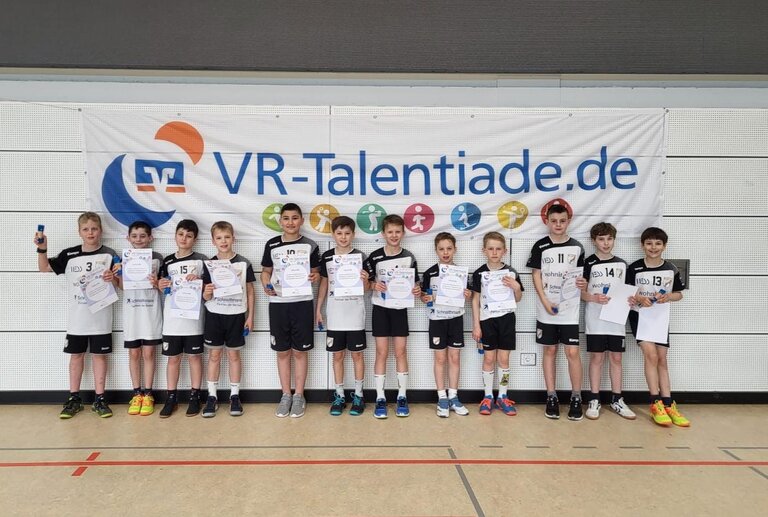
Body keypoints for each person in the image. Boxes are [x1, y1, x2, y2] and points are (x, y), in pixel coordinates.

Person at [35, 212, 118, 419]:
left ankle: (100, 399)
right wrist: (42, 248)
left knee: (99, 356)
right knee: (76, 356)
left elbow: (120, 284)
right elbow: (44, 268)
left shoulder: (110, 254)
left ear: (101, 230)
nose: (90, 233)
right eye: (86, 229)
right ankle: (74, 399)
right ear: (79, 232)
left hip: (101, 319)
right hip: (77, 320)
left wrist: (113, 278)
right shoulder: (69, 254)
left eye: (94, 229)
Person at [526, 204, 587, 420]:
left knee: (572, 353)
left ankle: (576, 397)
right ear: (547, 222)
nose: (558, 225)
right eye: (554, 221)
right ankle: (551, 397)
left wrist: (583, 283)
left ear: (568, 221)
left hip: (569, 309)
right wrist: (544, 301)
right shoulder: (540, 246)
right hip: (547, 308)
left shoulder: (578, 247)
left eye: (562, 221)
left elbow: (582, 277)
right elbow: (536, 275)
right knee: (550, 351)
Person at [261, 203, 321, 418]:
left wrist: (315, 276)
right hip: (278, 303)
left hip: (302, 303)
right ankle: (285, 394)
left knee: (300, 352)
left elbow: (317, 273)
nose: (290, 222)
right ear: (280, 222)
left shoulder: (310, 245)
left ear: (301, 221)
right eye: (286, 218)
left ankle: (299, 396)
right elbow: (265, 272)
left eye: (295, 218)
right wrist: (266, 283)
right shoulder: (272, 244)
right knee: (283, 351)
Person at [627, 227, 688, 427]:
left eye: (658, 243)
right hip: (640, 317)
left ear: (664, 246)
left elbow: (679, 294)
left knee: (662, 359)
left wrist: (668, 296)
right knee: (651, 356)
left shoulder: (671, 268)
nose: (653, 247)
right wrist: (639, 297)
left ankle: (669, 404)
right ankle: (655, 403)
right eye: (649, 243)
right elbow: (627, 293)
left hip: (660, 318)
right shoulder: (634, 268)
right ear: (642, 245)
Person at [363, 214, 421, 419]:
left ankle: (401, 397)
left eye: (397, 232)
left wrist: (416, 290)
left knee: (401, 352)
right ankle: (380, 398)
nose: (394, 235)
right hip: (380, 308)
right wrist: (373, 285)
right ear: (383, 234)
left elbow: (416, 284)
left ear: (403, 233)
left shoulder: (409, 257)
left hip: (400, 309)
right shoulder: (374, 257)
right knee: (381, 353)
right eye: (390, 232)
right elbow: (366, 285)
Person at [581, 222, 636, 420]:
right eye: (601, 239)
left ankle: (617, 400)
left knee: (616, 358)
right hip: (595, 319)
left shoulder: (622, 264)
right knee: (597, 358)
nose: (606, 243)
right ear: (594, 241)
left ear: (614, 240)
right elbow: (581, 294)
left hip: (616, 319)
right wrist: (593, 297)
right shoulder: (587, 263)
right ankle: (594, 399)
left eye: (609, 239)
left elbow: (630, 292)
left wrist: (632, 300)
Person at [201, 221, 256, 417]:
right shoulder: (209, 264)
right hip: (214, 315)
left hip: (236, 316)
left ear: (233, 238)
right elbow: (205, 296)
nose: (223, 241)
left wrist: (250, 316)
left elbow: (250, 291)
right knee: (214, 356)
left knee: (234, 356)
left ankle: (234, 396)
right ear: (213, 241)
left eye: (227, 237)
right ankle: (212, 396)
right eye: (219, 238)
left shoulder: (243, 263)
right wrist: (207, 292)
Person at [316, 216, 369, 416]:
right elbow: (324, 283)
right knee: (337, 355)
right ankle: (339, 395)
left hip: (355, 314)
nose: (343, 237)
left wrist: (365, 280)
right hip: (335, 314)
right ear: (333, 234)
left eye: (347, 233)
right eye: (339, 233)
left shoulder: (361, 257)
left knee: (357, 355)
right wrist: (318, 309)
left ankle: (358, 395)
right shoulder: (327, 257)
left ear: (353, 235)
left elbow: (367, 288)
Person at [157, 219, 207, 418]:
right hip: (172, 321)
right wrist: (160, 285)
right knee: (173, 359)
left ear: (195, 239)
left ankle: (195, 396)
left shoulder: (202, 260)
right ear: (175, 236)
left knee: (195, 357)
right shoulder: (167, 261)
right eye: (181, 234)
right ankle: (171, 397)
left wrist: (200, 281)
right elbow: (161, 284)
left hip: (194, 321)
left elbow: (211, 287)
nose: (184, 239)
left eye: (189, 236)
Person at [471, 232, 524, 416]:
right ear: (484, 250)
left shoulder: (511, 273)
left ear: (504, 251)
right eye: (491, 248)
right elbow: (475, 300)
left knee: (504, 360)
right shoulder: (479, 273)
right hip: (487, 321)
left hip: (507, 320)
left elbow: (518, 298)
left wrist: (516, 287)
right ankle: (487, 397)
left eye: (498, 249)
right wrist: (476, 325)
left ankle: (502, 396)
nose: (494, 252)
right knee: (488, 359)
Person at [421, 232, 472, 417]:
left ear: (455, 250)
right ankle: (442, 397)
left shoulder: (461, 273)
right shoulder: (430, 273)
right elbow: (424, 296)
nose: (445, 252)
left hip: (456, 319)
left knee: (455, 358)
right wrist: (425, 297)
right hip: (437, 320)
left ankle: (454, 397)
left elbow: (469, 296)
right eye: (441, 249)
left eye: (449, 248)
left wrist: (468, 295)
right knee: (440, 359)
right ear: (436, 251)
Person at [117, 221, 163, 416]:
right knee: (134, 354)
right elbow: (122, 286)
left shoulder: (157, 258)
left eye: (143, 236)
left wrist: (156, 282)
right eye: (134, 236)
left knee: (149, 353)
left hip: (150, 312)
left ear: (150, 238)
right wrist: (117, 275)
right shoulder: (123, 258)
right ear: (128, 238)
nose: (138, 239)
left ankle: (148, 394)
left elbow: (163, 286)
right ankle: (137, 393)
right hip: (132, 313)